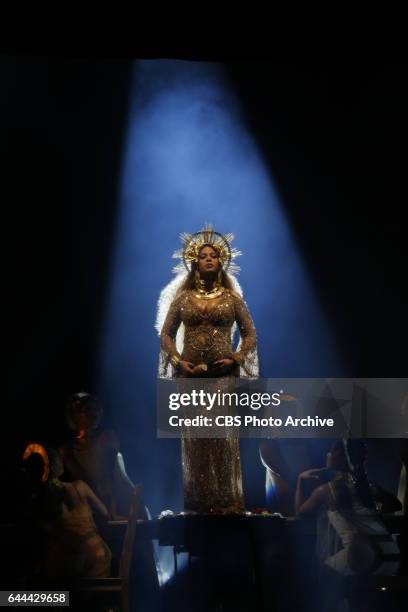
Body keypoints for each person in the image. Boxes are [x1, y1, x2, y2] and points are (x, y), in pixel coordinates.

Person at [157, 225, 258, 513]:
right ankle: (199, 502)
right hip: (190, 377)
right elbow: (166, 334)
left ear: (221, 261)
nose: (209, 258)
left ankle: (228, 501)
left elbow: (250, 334)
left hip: (222, 377)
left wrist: (236, 358)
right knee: (196, 440)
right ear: (195, 262)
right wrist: (177, 360)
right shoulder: (182, 299)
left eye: (214, 255)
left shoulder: (232, 299)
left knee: (223, 439)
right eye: (203, 256)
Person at [22, 444, 112, 582]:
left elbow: (37, 532)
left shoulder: (39, 499)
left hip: (68, 565)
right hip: (98, 558)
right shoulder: (80, 486)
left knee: (29, 586)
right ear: (59, 465)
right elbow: (105, 514)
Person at [59, 392, 134, 518]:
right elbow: (85, 480)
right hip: (95, 506)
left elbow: (109, 477)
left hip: (122, 501)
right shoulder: (67, 449)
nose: (94, 413)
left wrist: (113, 512)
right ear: (75, 415)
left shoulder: (107, 438)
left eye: (96, 409)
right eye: (87, 409)